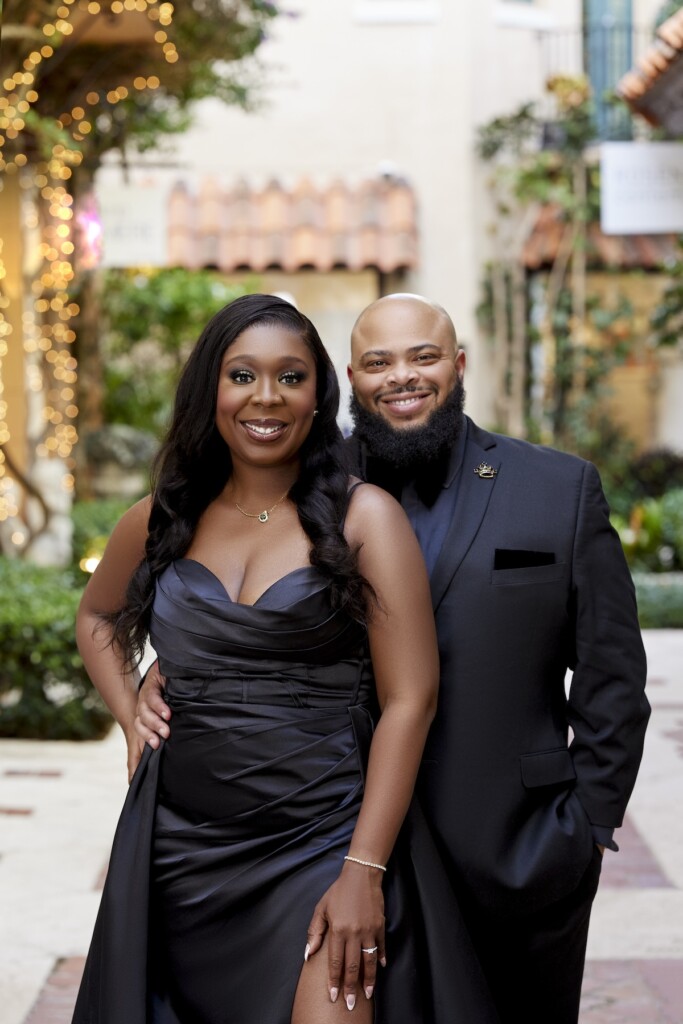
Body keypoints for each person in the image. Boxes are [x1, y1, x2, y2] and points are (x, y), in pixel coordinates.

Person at [138, 291, 651, 1024]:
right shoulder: (294, 483)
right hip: (329, 846)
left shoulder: (558, 489)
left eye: (423, 356)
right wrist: (169, 670)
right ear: (350, 377)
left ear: (458, 364)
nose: (400, 377)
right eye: (377, 362)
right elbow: (221, 594)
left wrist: (584, 832)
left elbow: (611, 676)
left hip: (513, 851)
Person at [72, 293, 498, 1024]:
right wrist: (130, 713)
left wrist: (363, 871)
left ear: (317, 396)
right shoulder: (161, 516)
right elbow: (97, 616)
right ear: (210, 388)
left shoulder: (364, 517)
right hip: (179, 848)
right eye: (242, 375)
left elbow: (410, 701)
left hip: (320, 840)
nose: (265, 397)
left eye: (289, 376)